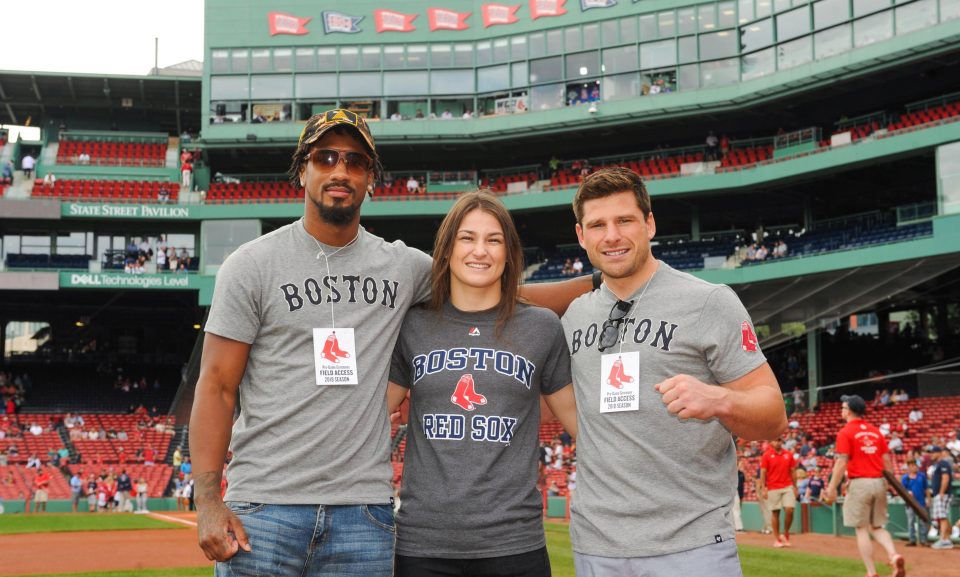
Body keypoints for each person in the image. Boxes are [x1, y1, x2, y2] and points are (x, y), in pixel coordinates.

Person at [190, 108, 592, 575]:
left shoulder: (403, 267)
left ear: (371, 179)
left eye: (356, 162)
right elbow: (216, 385)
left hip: (363, 515)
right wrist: (207, 499)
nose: (341, 171)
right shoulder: (252, 265)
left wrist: (601, 280)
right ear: (303, 169)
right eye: (326, 158)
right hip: (264, 508)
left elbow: (486, 288)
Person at [560, 167, 786, 575]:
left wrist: (720, 399)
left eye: (624, 220)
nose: (611, 235)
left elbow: (773, 417)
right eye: (597, 225)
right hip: (597, 547)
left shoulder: (709, 301)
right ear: (581, 235)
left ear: (649, 223)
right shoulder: (574, 316)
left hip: (691, 545)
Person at [387, 191, 576, 577]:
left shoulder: (541, 327)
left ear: (509, 253)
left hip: (514, 544)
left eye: (494, 240)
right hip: (423, 544)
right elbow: (368, 413)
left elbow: (581, 425)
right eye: (467, 238)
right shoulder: (412, 324)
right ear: (447, 248)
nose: (481, 251)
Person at [824, 394, 905, 577]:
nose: (841, 410)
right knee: (877, 526)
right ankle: (894, 555)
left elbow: (841, 462)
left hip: (860, 483)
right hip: (879, 482)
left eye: (843, 408)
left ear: (850, 410)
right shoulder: (875, 431)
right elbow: (886, 461)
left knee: (861, 528)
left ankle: (871, 572)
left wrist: (831, 487)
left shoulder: (845, 432)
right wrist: (892, 483)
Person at [760, 436, 798, 547]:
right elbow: (763, 472)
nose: (777, 442)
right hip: (773, 487)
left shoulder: (788, 454)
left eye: (779, 440)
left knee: (790, 509)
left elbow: (793, 471)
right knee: (775, 513)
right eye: (775, 440)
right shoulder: (766, 455)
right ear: (771, 442)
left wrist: (795, 487)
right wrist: (764, 488)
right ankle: (777, 539)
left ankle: (786, 533)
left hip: (787, 486)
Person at [930, 445, 955, 549]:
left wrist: (941, 492)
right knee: (942, 517)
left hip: (943, 494)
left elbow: (945, 478)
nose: (932, 455)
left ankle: (943, 540)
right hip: (939, 494)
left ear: (939, 453)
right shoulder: (937, 465)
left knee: (942, 517)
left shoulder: (943, 463)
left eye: (933, 452)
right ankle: (947, 538)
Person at [901, 460, 929, 547]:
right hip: (910, 503)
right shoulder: (905, 478)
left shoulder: (922, 476)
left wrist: (928, 499)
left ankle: (923, 540)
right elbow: (902, 490)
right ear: (909, 467)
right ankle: (912, 540)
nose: (915, 467)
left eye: (915, 465)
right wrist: (907, 493)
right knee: (911, 522)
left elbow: (926, 488)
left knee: (923, 522)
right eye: (912, 465)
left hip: (921, 502)